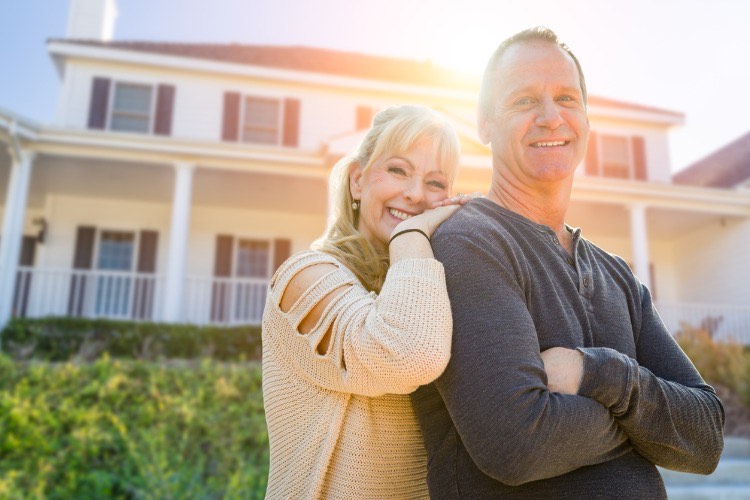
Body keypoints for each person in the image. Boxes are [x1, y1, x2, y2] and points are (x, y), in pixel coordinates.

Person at [412, 27, 725, 499]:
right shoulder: (470, 244)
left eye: (566, 98)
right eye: (523, 101)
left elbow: (705, 438)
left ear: (586, 118)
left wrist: (597, 374)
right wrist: (648, 430)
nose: (550, 117)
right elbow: (517, 443)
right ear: (483, 124)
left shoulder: (617, 275)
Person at [262, 105, 469, 499]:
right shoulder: (304, 278)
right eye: (398, 170)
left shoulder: (434, 291)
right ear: (358, 181)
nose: (415, 194)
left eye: (436, 183)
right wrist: (412, 235)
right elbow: (409, 354)